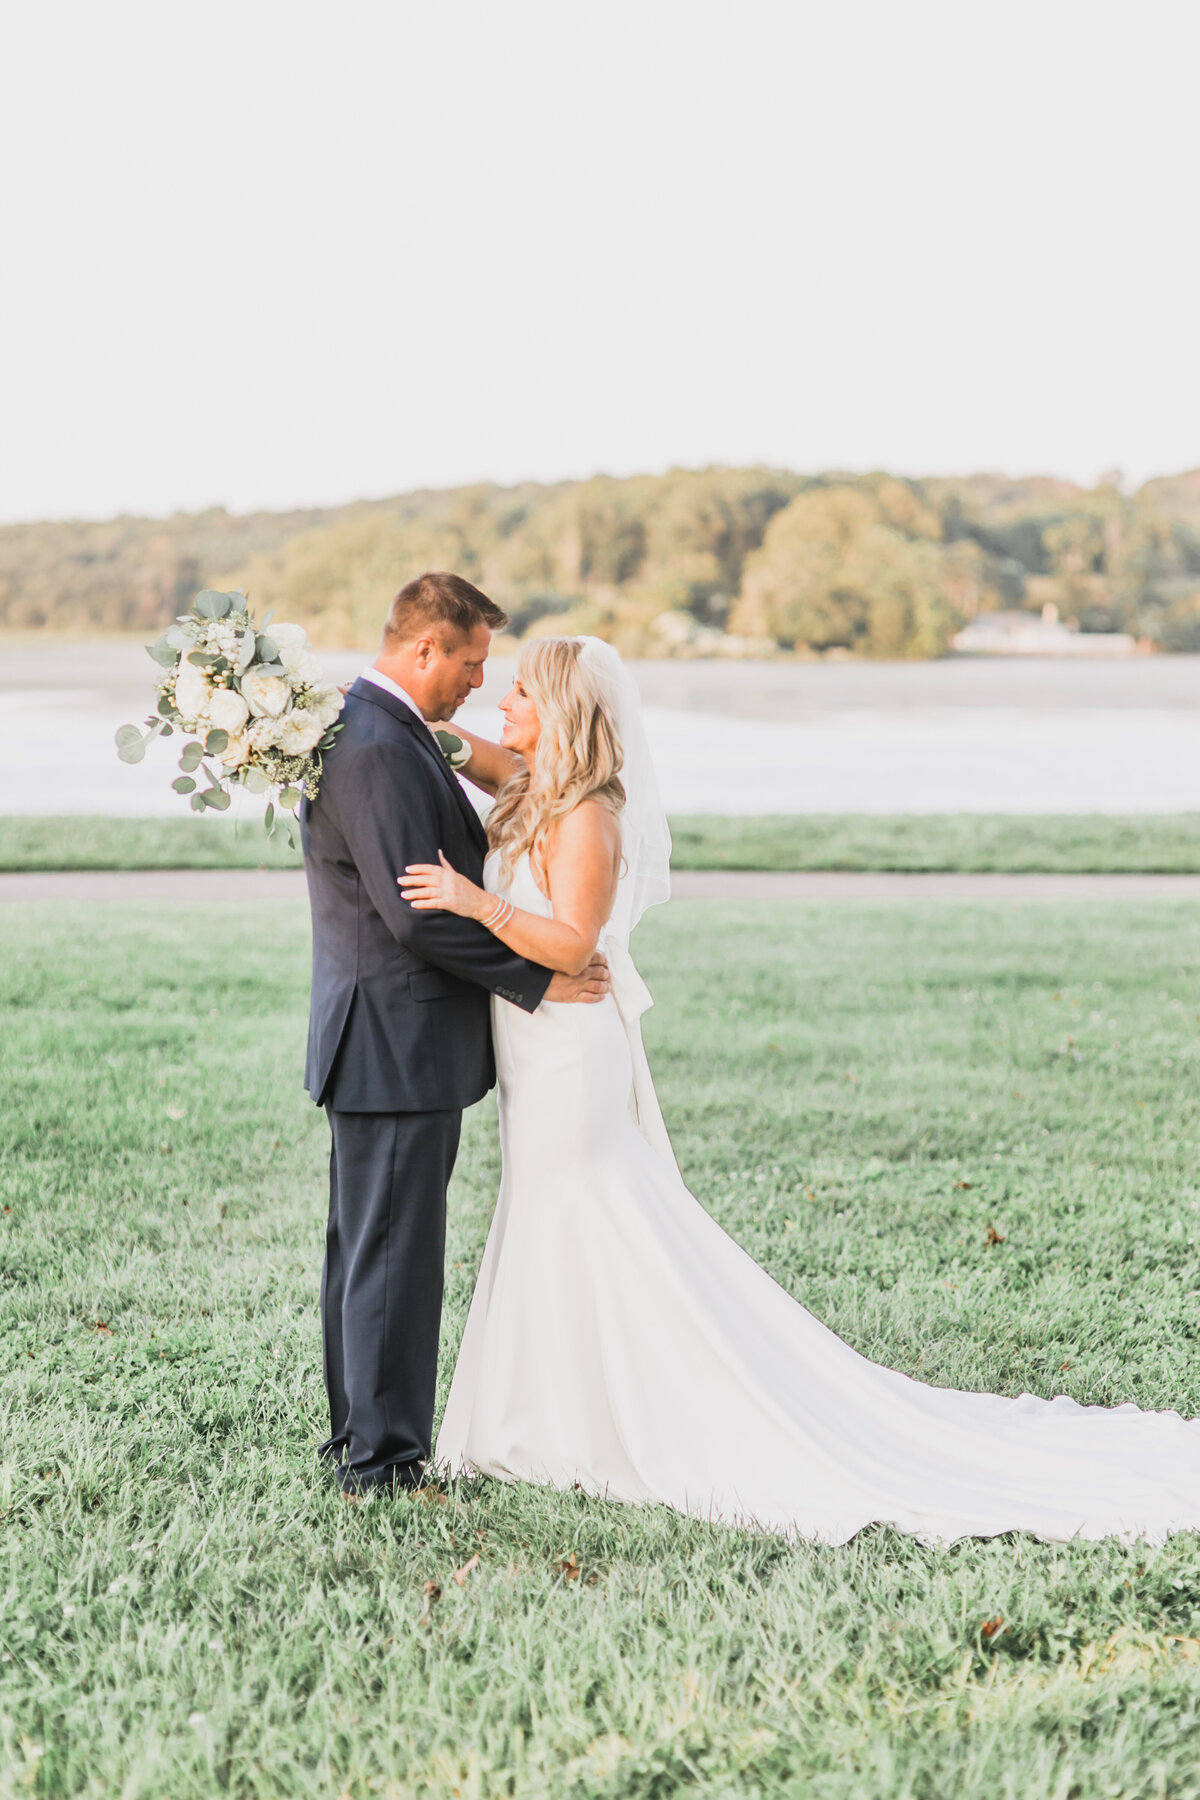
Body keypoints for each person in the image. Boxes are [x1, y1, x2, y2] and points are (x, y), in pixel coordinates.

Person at [400, 634, 1200, 1545]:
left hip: (571, 1052)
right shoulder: (537, 787)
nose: (501, 706)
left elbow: (574, 946)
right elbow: (485, 756)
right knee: (546, 1211)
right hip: (536, 1048)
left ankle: (583, 1420)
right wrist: (406, 713)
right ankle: (543, 1410)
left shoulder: (585, 816)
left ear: (566, 715)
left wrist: (475, 902)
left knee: (585, 1212)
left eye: (521, 697)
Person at [300, 573, 611, 1496]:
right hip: (397, 1043)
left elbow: (512, 776)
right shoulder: (378, 747)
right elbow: (417, 919)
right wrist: (537, 977)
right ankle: (384, 1463)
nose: (481, 680)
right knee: (390, 1254)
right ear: (424, 649)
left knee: (366, 1246)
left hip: (383, 1041)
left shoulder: (383, 729)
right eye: (473, 663)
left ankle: (359, 1434)